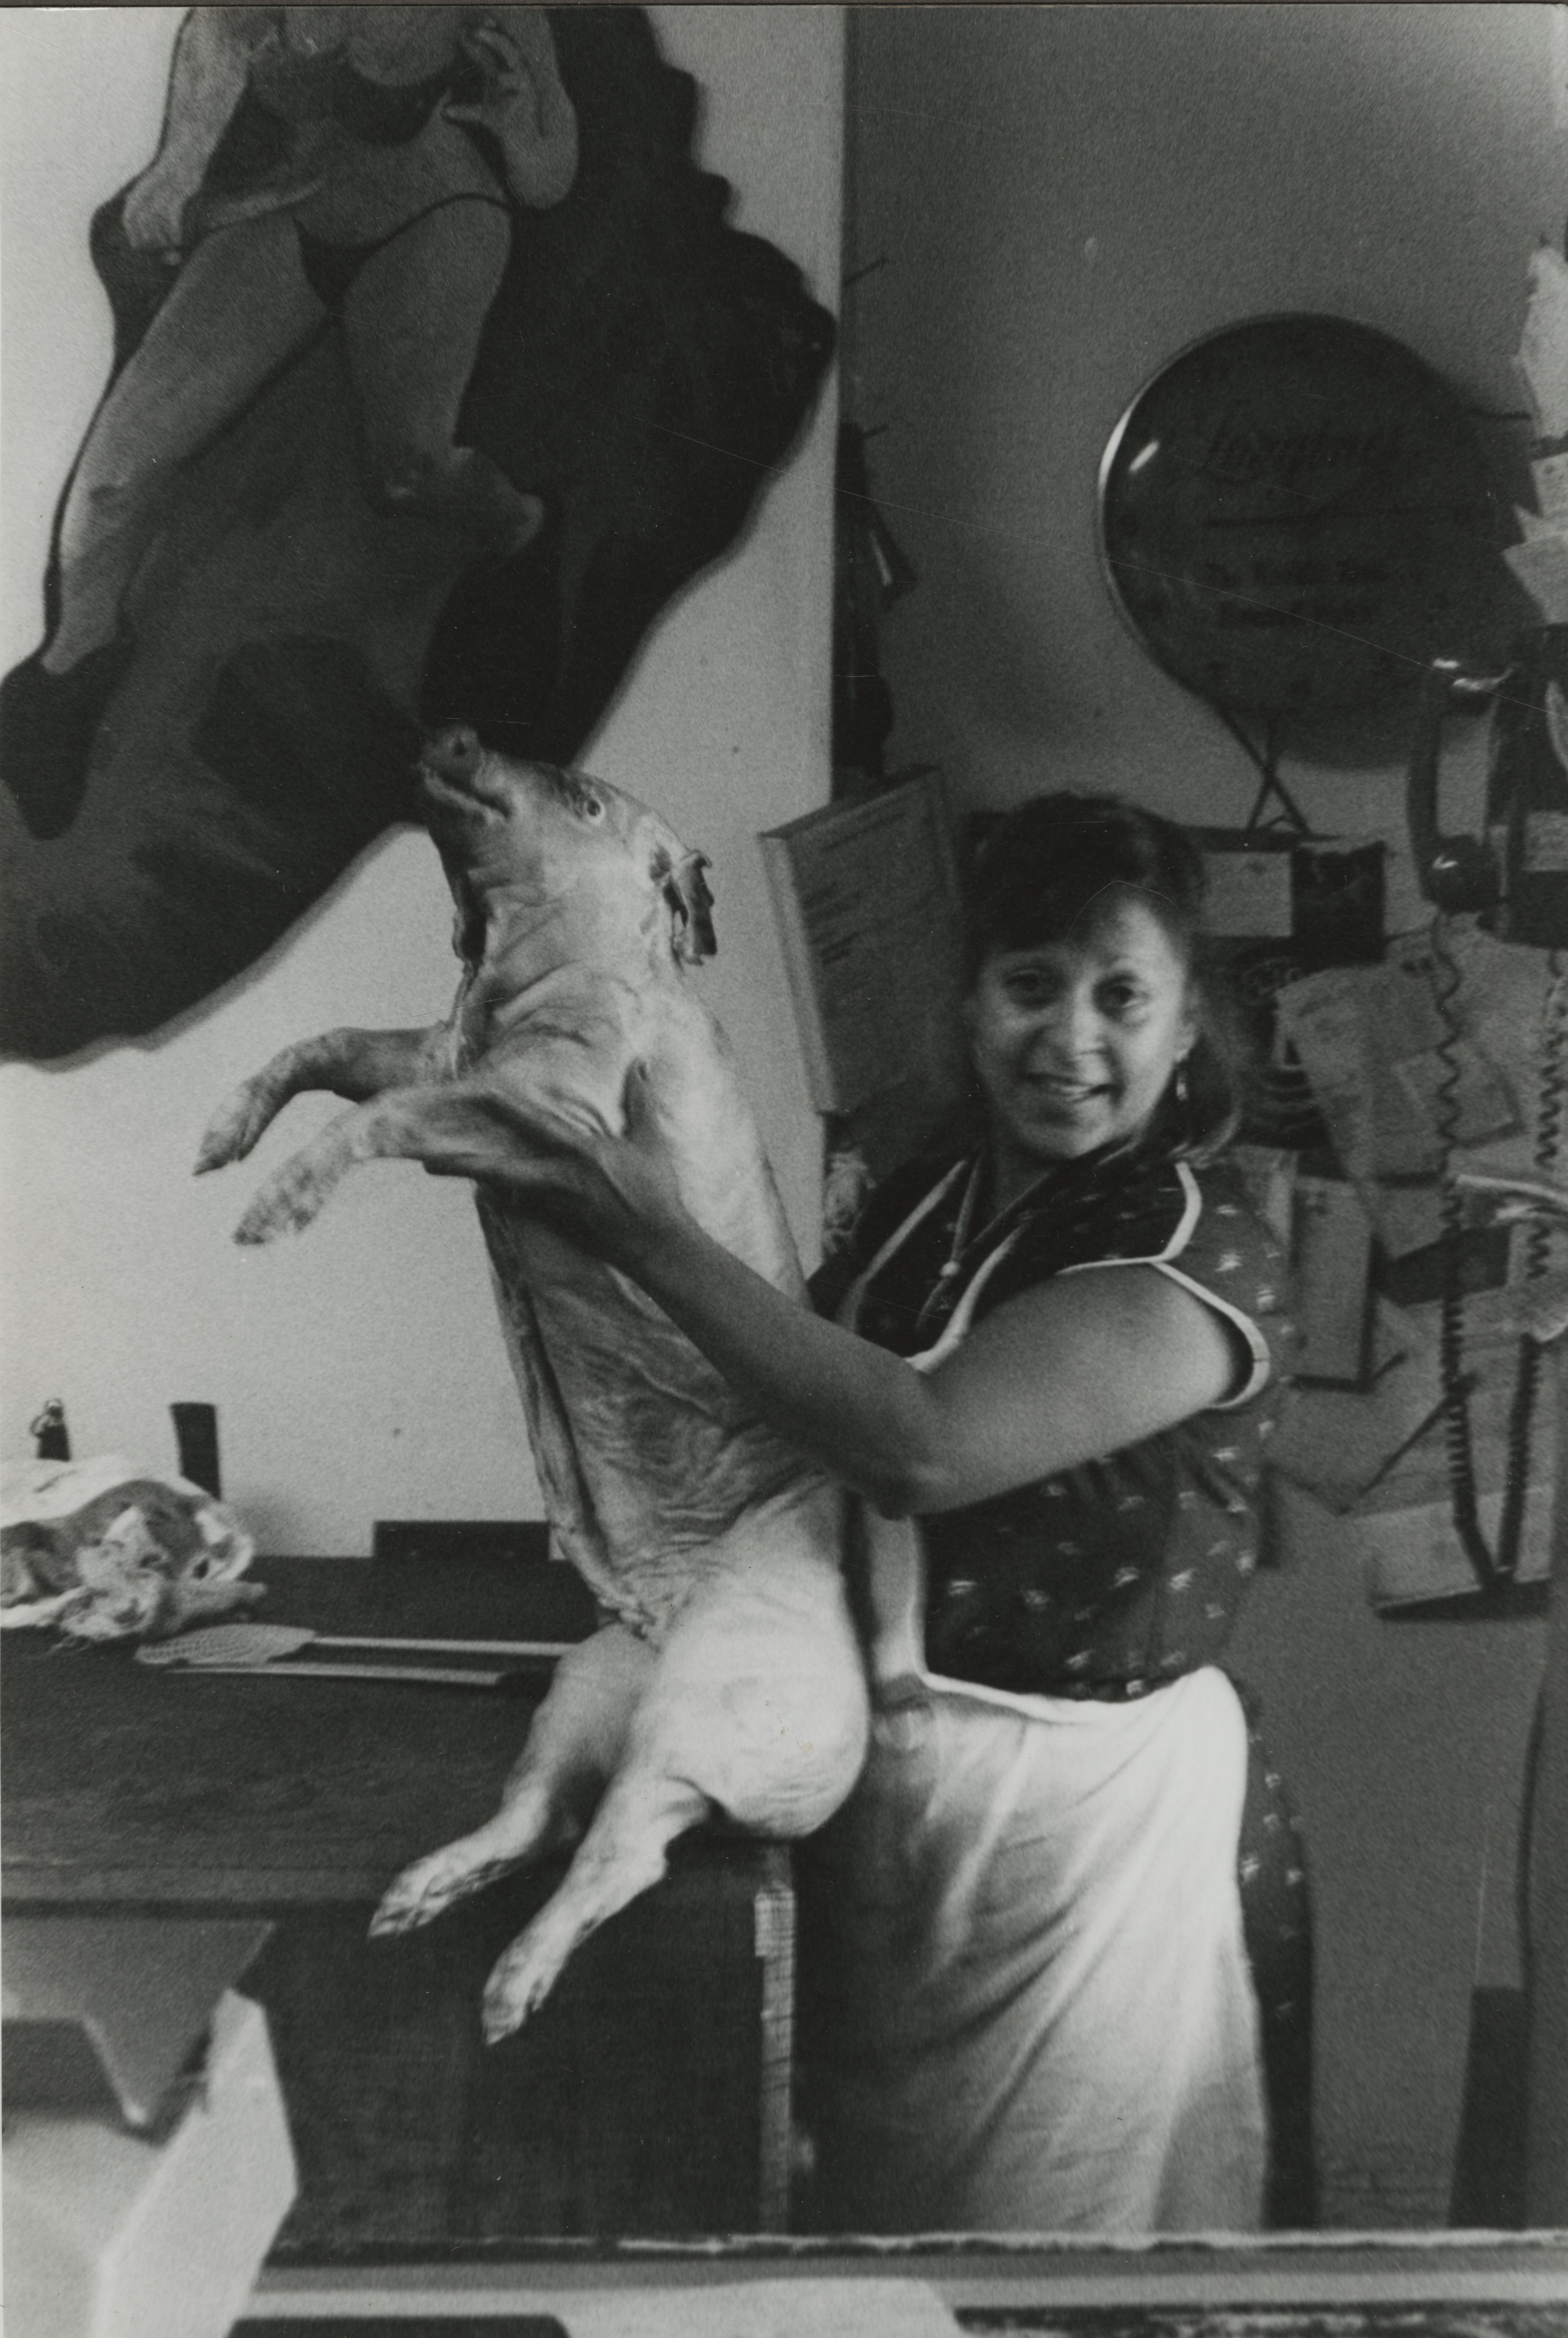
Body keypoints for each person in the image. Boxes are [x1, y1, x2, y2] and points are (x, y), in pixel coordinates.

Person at [409, 789, 1311, 2234]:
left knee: (1071, 2254)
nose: (1068, 1038)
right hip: (892, 1795)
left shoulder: (1208, 1257)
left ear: (1185, 1023)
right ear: (967, 1003)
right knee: (890, 2243)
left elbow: (916, 1450)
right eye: (1029, 985)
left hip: (1093, 1843)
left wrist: (639, 1222)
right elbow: (783, 1417)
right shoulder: (919, 1203)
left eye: (1119, 995)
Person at [2, 5, 577, 820]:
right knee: (112, 483)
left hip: (436, 220)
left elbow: (548, 176)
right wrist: (179, 165)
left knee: (413, 471)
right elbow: (211, 65)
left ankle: (519, 524)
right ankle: (67, 669)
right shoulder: (233, 13)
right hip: (294, 208)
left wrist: (521, 131)